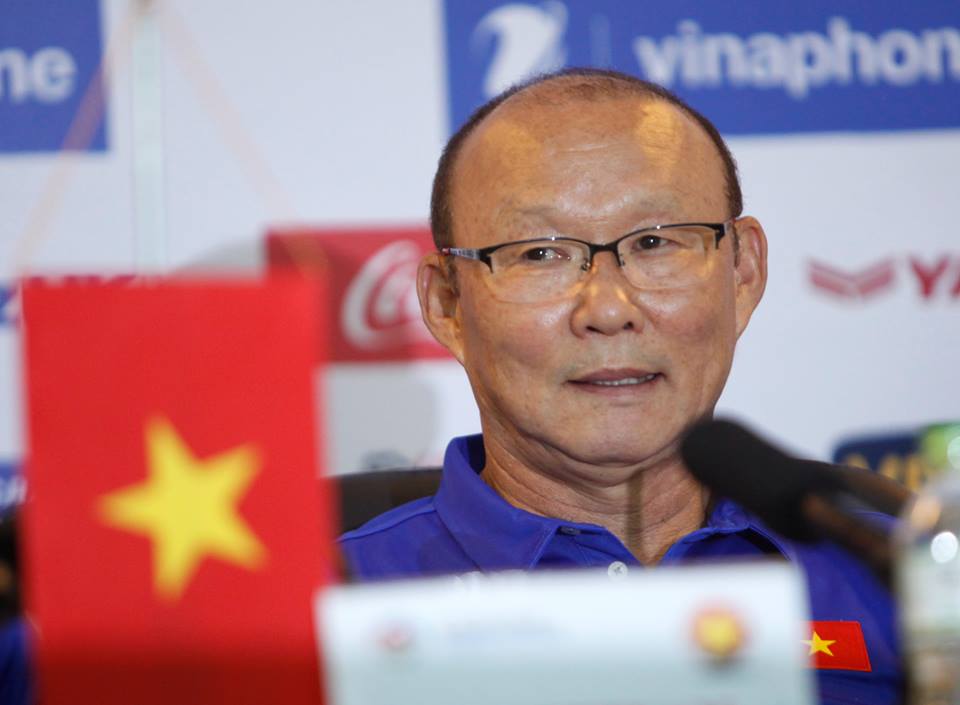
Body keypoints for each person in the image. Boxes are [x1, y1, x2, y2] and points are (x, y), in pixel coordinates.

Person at [340, 68, 901, 704]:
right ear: (448, 304)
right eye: (540, 253)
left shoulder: (901, 582)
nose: (608, 309)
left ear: (742, 273)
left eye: (655, 242)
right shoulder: (331, 603)